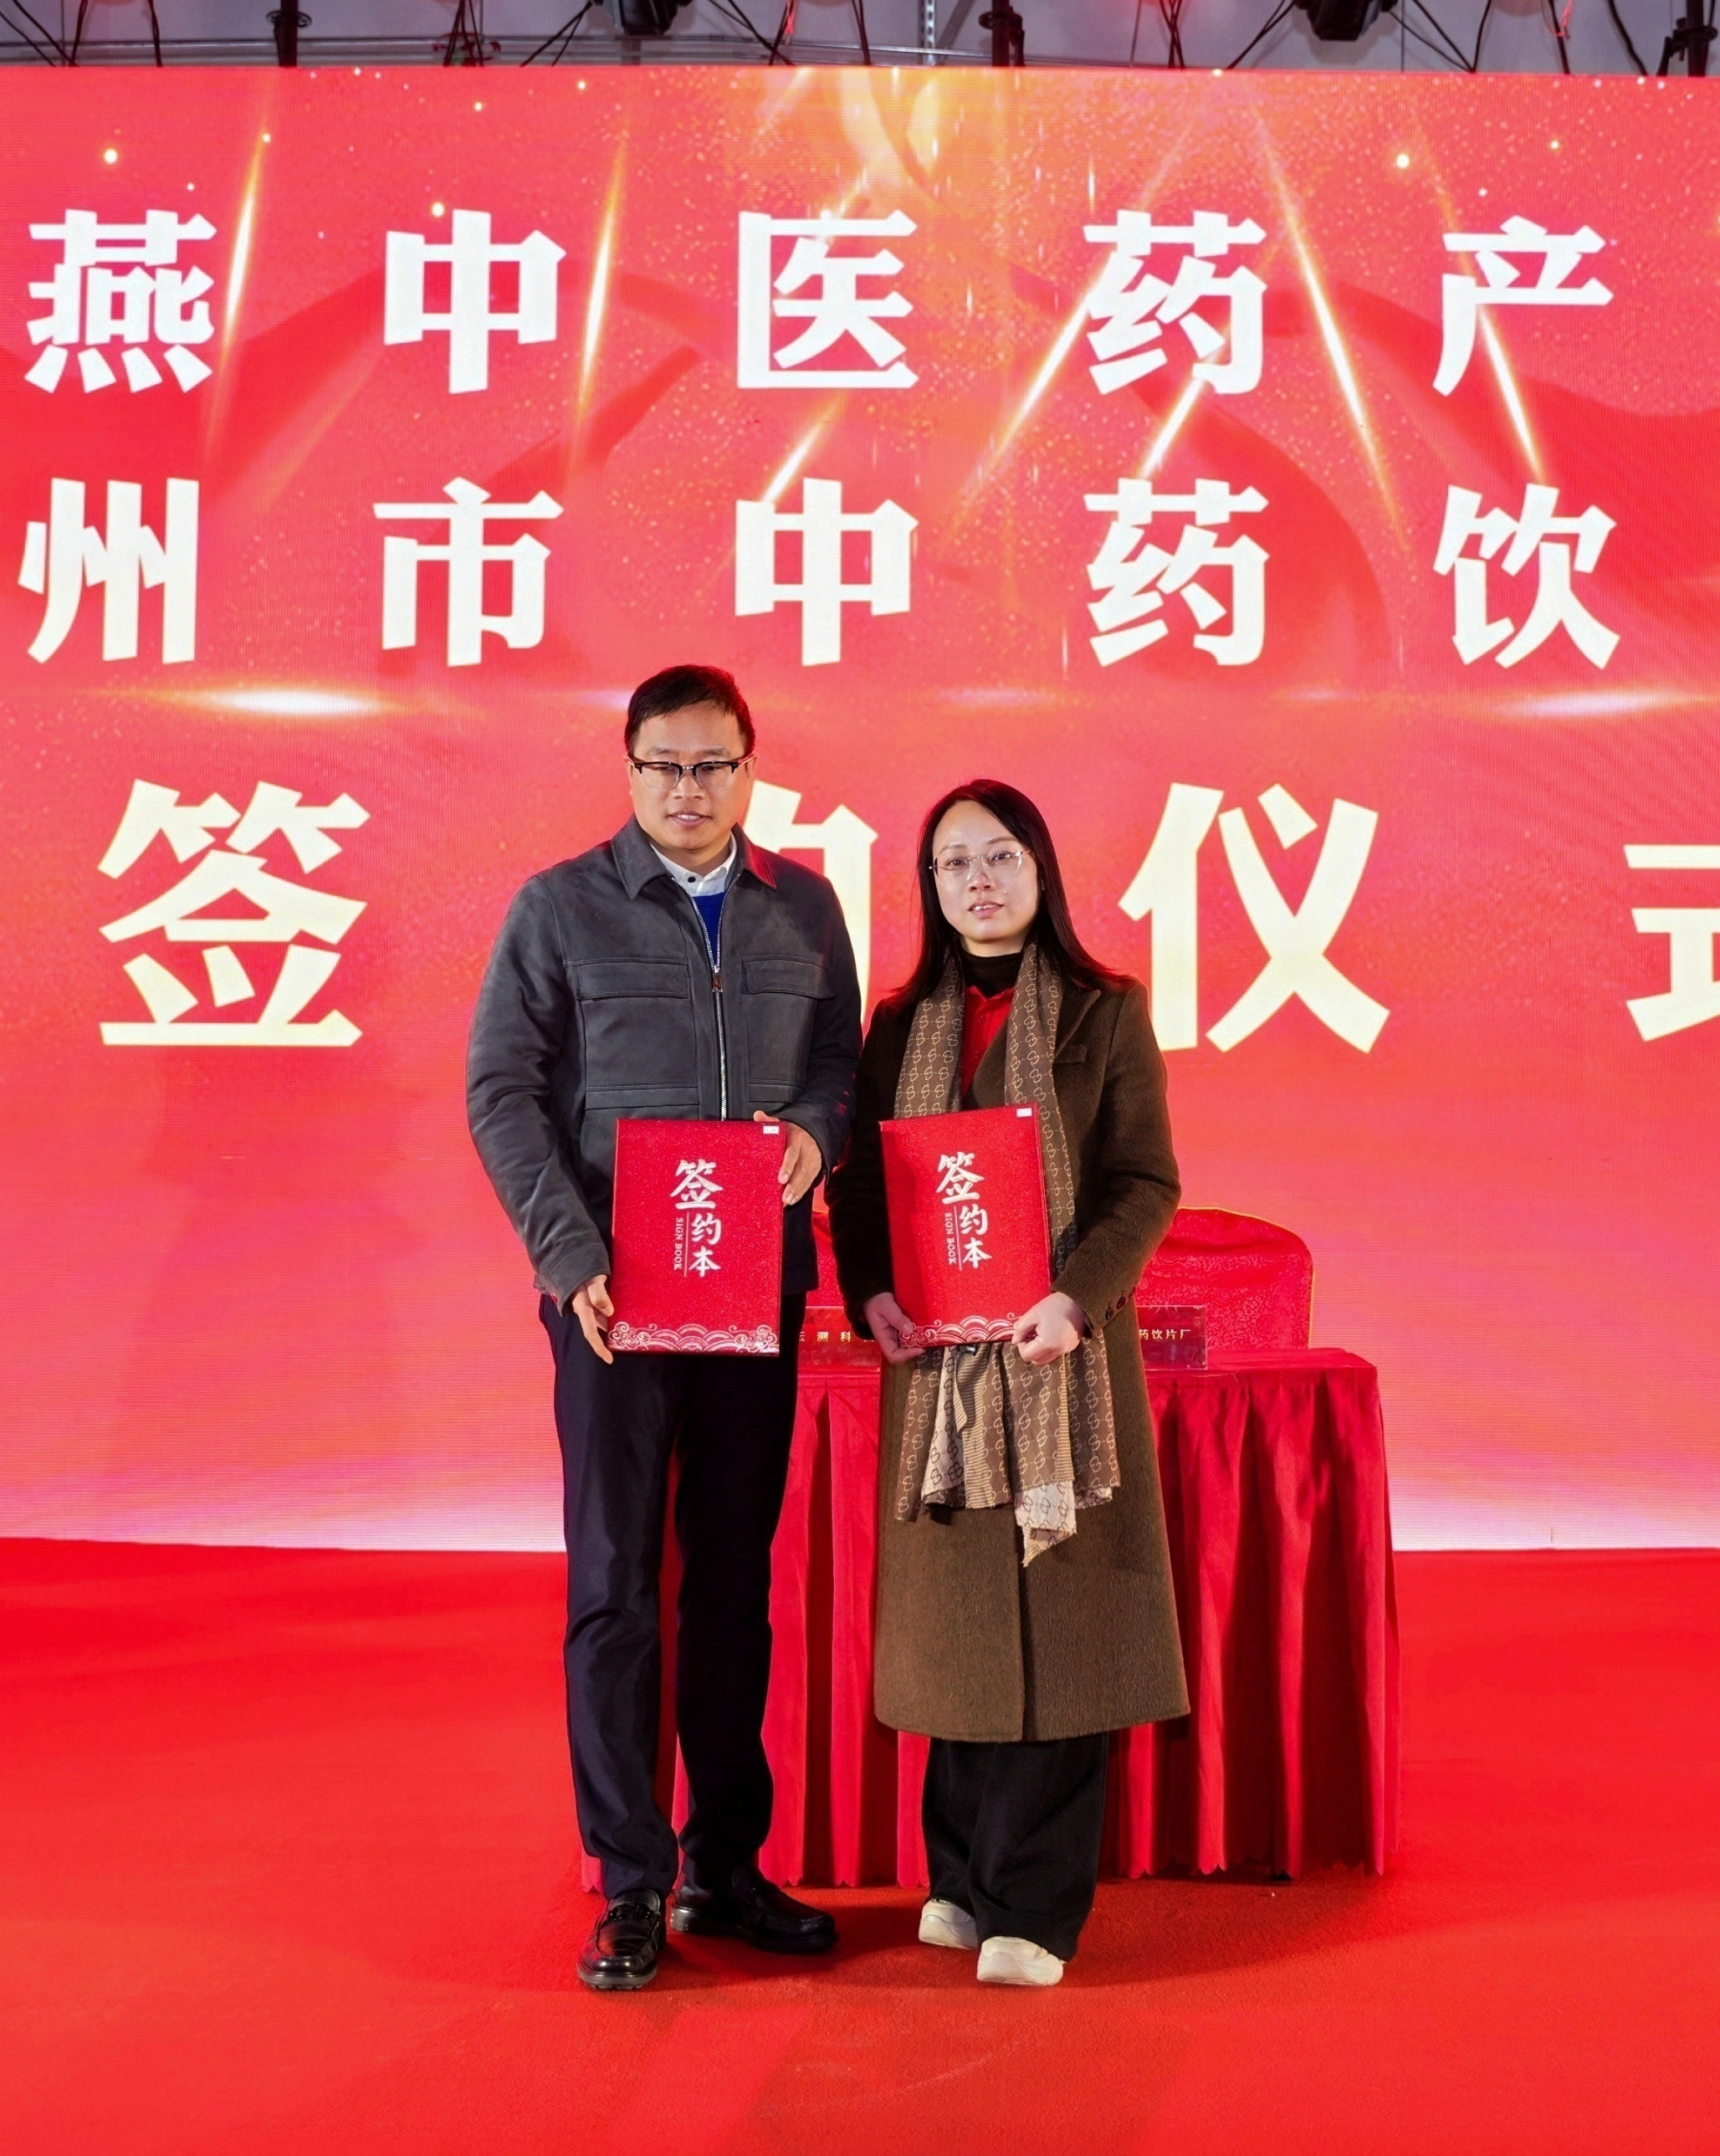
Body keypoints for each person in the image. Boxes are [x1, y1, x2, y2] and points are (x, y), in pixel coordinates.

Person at [466, 664, 864, 1993]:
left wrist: (810, 1135)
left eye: (712, 766)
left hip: (754, 1287)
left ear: (751, 768)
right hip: (614, 1304)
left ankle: (724, 1867)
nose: (688, 790)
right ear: (629, 770)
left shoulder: (803, 908)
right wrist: (569, 1255)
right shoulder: (560, 907)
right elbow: (501, 1089)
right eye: (664, 766)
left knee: (733, 1585)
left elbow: (838, 1066)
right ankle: (630, 1881)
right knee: (616, 1586)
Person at [827, 781, 1185, 1989]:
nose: (976, 881)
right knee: (962, 1629)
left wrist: (1076, 1298)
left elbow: (1143, 1182)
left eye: (998, 857)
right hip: (939, 1367)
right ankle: (961, 1880)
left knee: (1061, 1630)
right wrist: (872, 1289)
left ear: (1040, 868)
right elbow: (863, 1185)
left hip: (1058, 1357)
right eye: (951, 865)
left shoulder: (1102, 1009)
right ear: (928, 888)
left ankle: (1034, 1907)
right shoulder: (900, 1024)